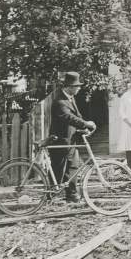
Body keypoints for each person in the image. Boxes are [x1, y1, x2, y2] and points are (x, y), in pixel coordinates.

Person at [48, 71, 97, 202]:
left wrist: (84, 127)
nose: (79, 88)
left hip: (70, 139)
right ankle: (50, 195)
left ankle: (72, 194)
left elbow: (77, 116)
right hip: (60, 141)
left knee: (73, 166)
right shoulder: (60, 101)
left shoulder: (70, 98)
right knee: (58, 169)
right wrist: (86, 124)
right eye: (77, 86)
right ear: (69, 87)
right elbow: (69, 118)